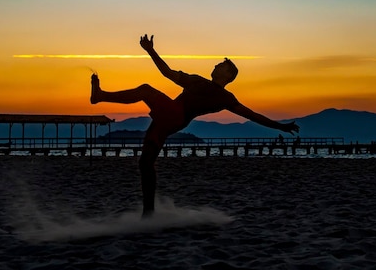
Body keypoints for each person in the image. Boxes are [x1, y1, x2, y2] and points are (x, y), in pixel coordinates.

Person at [90, 34, 299, 215]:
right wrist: (280, 127)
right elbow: (168, 73)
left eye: (221, 65)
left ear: (229, 75)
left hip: (174, 115)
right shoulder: (211, 89)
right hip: (172, 122)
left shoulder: (214, 91)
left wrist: (151, 50)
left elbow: (252, 115)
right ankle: (148, 212)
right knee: (145, 164)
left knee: (145, 90)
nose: (216, 65)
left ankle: (100, 96)